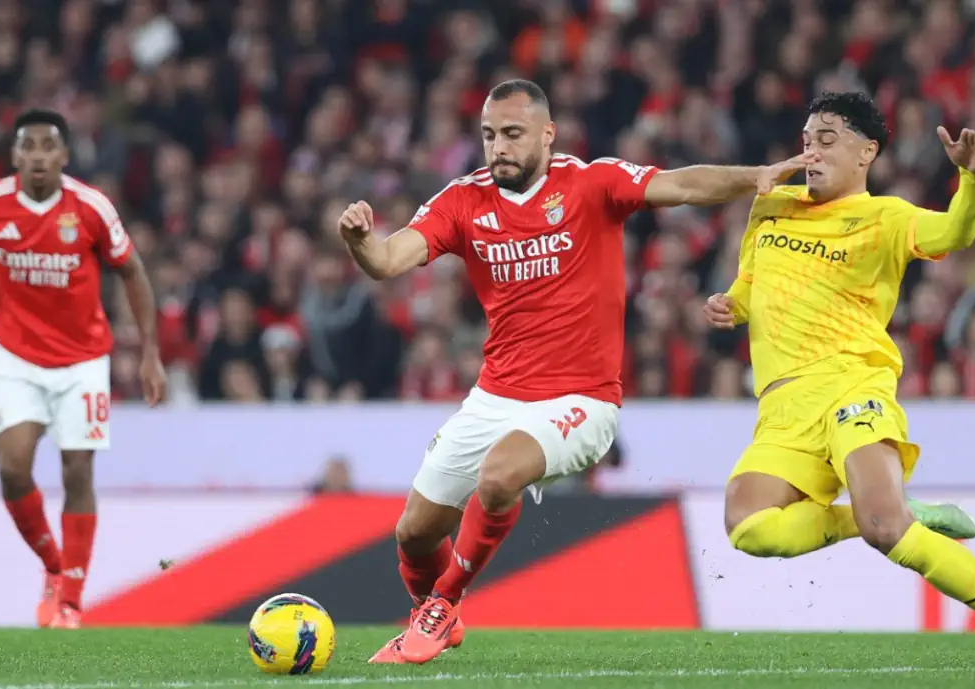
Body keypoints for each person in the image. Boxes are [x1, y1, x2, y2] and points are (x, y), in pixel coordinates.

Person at [340, 78, 817, 665]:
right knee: (414, 533)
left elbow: (684, 184)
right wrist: (361, 241)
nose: (498, 148)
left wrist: (754, 177)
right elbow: (388, 261)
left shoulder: (592, 182)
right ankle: (432, 611)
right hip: (495, 396)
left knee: (498, 476)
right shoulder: (463, 201)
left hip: (582, 400)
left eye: (512, 134)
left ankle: (442, 604)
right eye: (489, 135)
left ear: (547, 134)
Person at [703, 92, 975, 677]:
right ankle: (892, 510)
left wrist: (973, 181)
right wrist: (732, 305)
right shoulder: (772, 207)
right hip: (783, 405)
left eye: (827, 139)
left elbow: (954, 234)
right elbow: (753, 281)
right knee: (750, 528)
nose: (811, 151)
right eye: (806, 139)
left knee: (884, 530)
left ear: (866, 151)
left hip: (851, 384)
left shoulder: (886, 218)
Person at [0, 109, 167, 629]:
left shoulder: (90, 208)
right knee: (12, 467)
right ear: (15, 154)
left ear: (65, 156)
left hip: (84, 361)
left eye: (50, 146)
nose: (40, 155)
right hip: (16, 359)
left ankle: (70, 597)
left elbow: (132, 271)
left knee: (77, 470)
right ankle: (53, 563)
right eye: (30, 145)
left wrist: (151, 351)